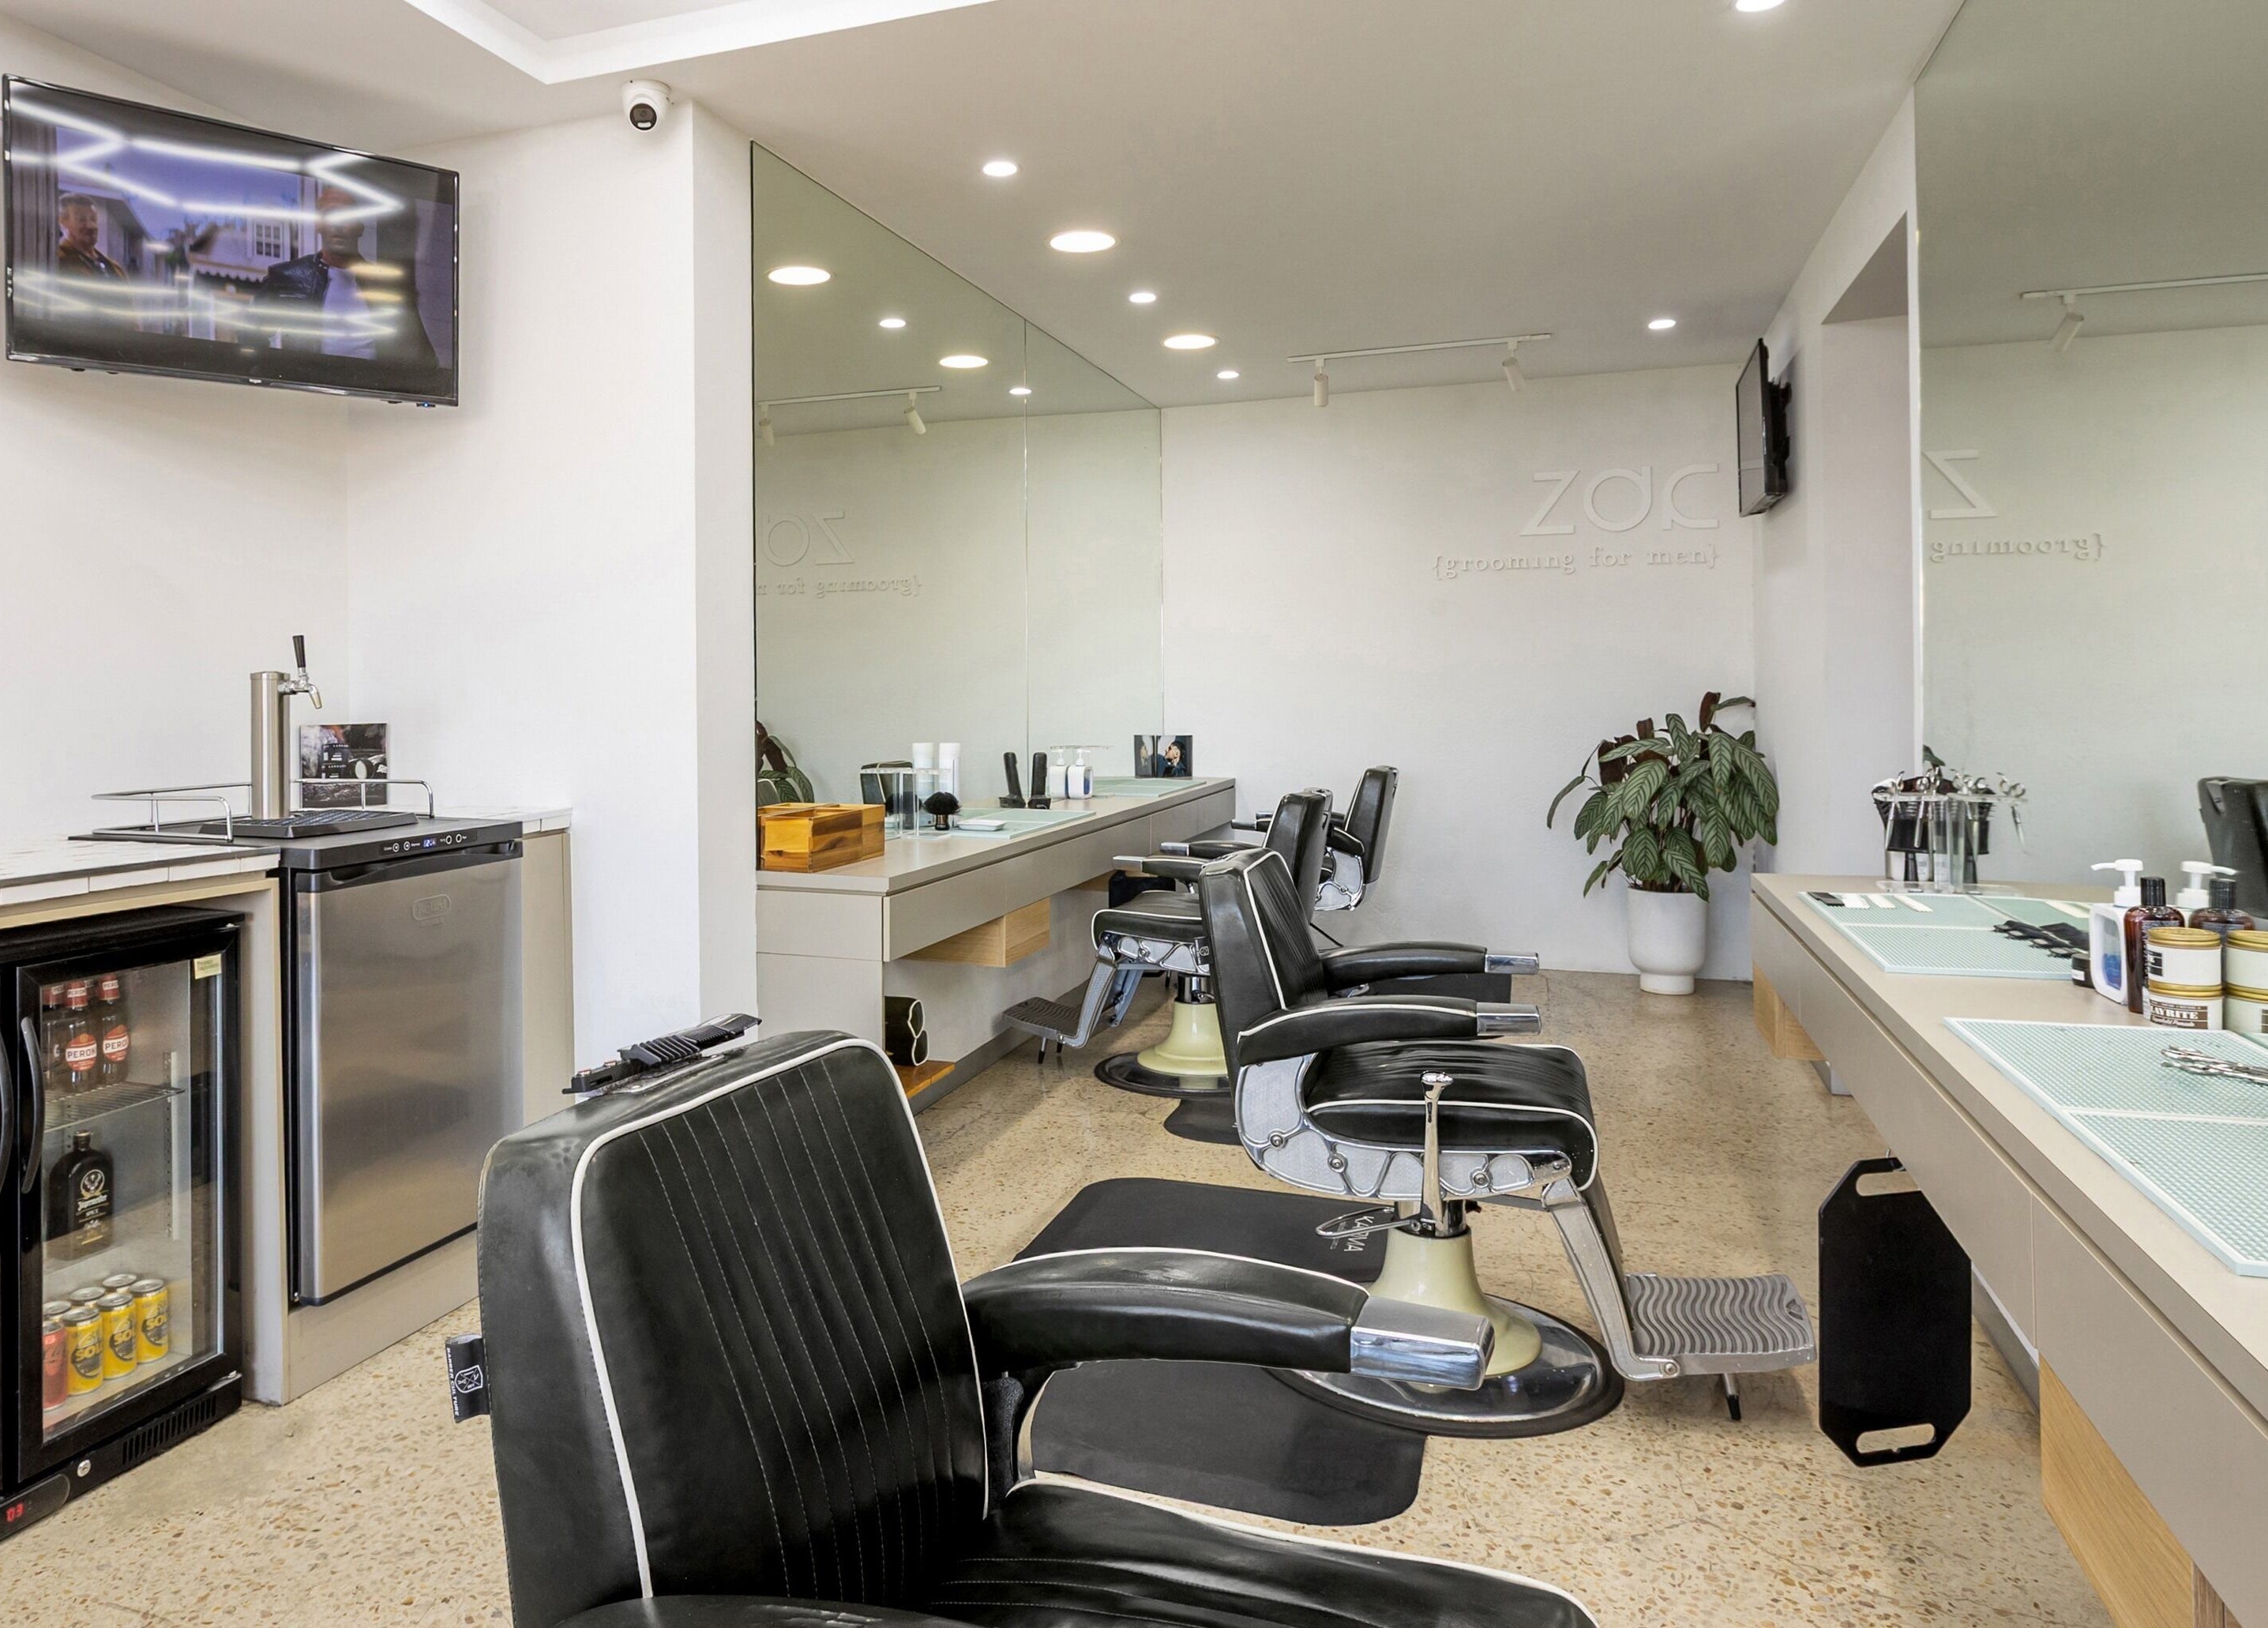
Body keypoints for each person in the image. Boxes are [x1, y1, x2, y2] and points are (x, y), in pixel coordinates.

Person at [257, 186, 435, 367]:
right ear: (319, 224)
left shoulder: (388, 286)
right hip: (306, 391)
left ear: (360, 227)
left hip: (370, 390)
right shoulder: (287, 278)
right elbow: (249, 338)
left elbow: (424, 358)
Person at [54, 194, 125, 280]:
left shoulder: (116, 268)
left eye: (93, 219)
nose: (91, 226)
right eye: (81, 220)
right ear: (62, 221)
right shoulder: (58, 262)